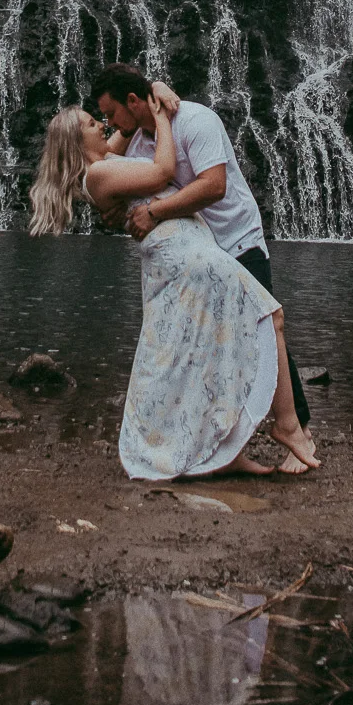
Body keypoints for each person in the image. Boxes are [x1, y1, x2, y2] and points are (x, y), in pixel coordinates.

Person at [29, 96, 319, 479]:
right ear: (74, 141)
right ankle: (289, 425)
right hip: (189, 257)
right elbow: (163, 171)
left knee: (210, 349)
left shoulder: (105, 162)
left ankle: (224, 449)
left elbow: (124, 122)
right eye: (90, 123)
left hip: (193, 249)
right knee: (269, 315)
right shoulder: (98, 174)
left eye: (103, 117)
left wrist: (153, 91)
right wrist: (161, 116)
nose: (102, 123)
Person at [90, 63, 314, 430]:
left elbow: (214, 186)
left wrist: (154, 212)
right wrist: (115, 211)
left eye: (112, 114)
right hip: (195, 256)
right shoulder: (137, 142)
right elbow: (100, 169)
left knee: (262, 328)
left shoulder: (196, 120)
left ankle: (299, 428)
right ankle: (219, 436)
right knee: (206, 344)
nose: (110, 123)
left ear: (132, 101)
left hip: (236, 239)